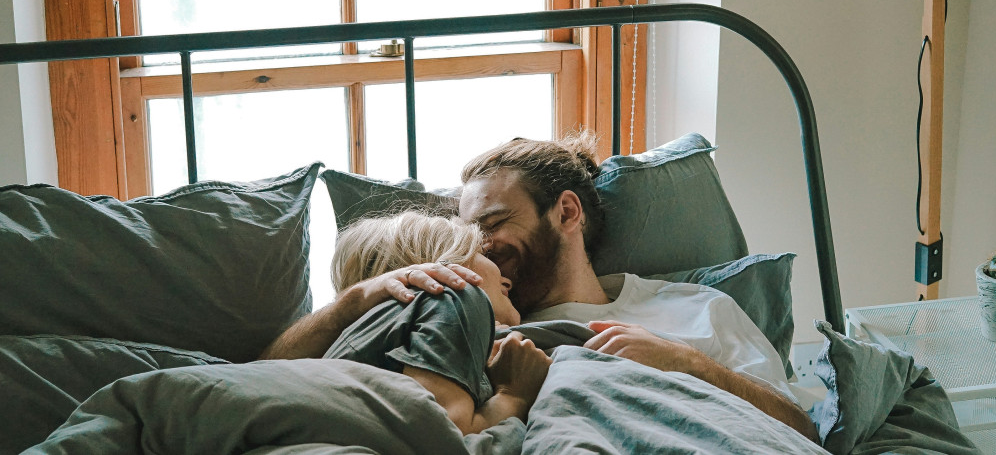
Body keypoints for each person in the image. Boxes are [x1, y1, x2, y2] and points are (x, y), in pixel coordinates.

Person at [457, 132, 819, 443]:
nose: (479, 246)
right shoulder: (480, 327)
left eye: (493, 224)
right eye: (469, 235)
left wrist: (687, 362)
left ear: (567, 212)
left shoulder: (699, 308)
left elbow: (802, 432)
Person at [263, 211, 550, 436]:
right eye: (482, 255)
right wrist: (514, 396)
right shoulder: (451, 297)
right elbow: (445, 437)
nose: (506, 278)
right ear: (446, 261)